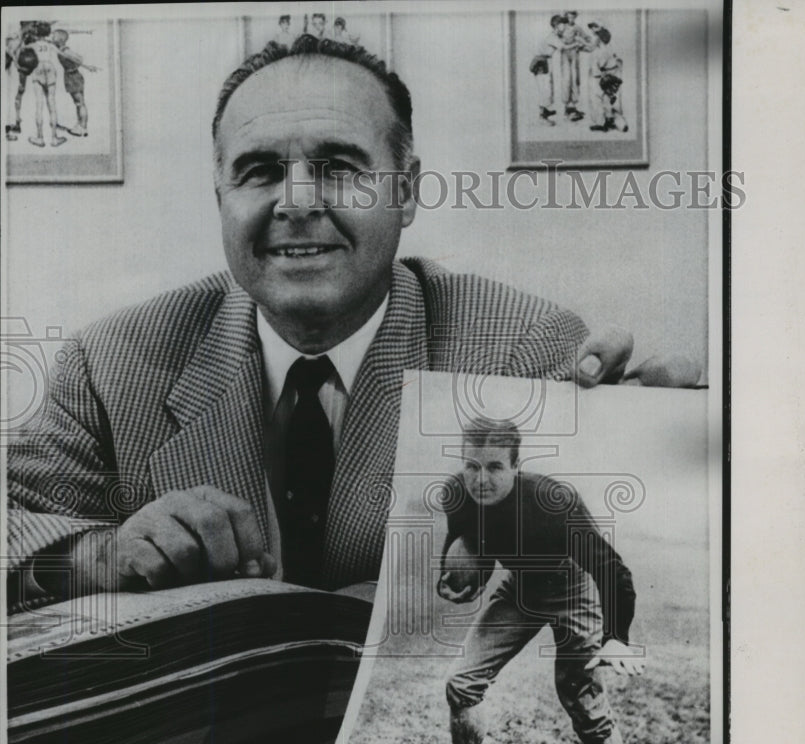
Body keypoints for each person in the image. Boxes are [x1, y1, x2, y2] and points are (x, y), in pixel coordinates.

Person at [7, 35, 667, 613]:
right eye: (260, 171)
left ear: (404, 192)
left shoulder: (523, 348)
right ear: (220, 199)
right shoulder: (111, 361)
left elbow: (604, 545)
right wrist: (100, 555)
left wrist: (672, 446)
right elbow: (15, 533)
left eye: (339, 168)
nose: (295, 202)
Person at [423, 417, 643, 744]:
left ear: (517, 466)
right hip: (520, 588)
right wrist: (463, 581)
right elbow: (470, 548)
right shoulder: (456, 492)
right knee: (461, 683)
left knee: (584, 705)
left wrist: (616, 637)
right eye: (471, 465)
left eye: (495, 468)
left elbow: (613, 571)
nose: (481, 479)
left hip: (571, 587)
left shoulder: (552, 503)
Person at [51, 28, 99, 138]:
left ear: (61, 39)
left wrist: (85, 66)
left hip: (73, 77)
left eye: (54, 36)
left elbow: (78, 59)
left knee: (79, 103)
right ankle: (81, 126)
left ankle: (82, 127)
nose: (52, 38)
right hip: (71, 76)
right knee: (78, 103)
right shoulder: (61, 49)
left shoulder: (65, 50)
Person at [25, 23, 66, 148]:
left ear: (36, 33)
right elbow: (63, 54)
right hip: (49, 68)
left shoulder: (31, 45)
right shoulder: (50, 45)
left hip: (37, 69)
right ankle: (54, 138)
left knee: (39, 105)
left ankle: (40, 138)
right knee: (52, 104)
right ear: (48, 33)